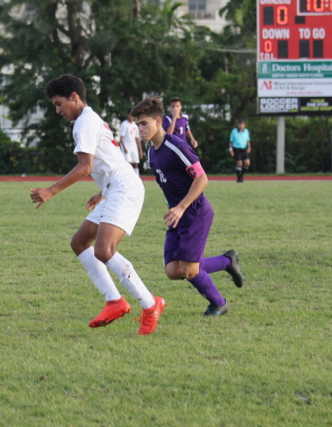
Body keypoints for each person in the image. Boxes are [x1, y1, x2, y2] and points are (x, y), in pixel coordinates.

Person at [30, 74, 165, 336]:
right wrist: (102, 191)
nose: (58, 110)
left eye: (59, 103)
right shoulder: (88, 118)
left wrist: (51, 191)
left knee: (104, 250)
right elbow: (108, 158)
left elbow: (86, 166)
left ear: (74, 97)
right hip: (114, 187)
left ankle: (150, 304)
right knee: (80, 242)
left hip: (124, 188)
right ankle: (114, 301)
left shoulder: (84, 123)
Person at [131, 97, 244, 317]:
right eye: (137, 124)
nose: (140, 129)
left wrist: (181, 207)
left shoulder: (176, 146)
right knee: (174, 271)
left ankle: (219, 303)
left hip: (194, 212)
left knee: (190, 270)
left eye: (144, 123)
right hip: (177, 216)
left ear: (158, 121)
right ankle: (227, 260)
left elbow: (202, 179)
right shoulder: (153, 154)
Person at [118, 109, 144, 176]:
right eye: (130, 115)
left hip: (133, 146)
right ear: (128, 115)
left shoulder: (135, 125)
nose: (131, 117)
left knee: (135, 163)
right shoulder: (124, 124)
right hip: (126, 145)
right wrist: (124, 148)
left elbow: (137, 138)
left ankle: (137, 177)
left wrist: (140, 150)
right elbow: (121, 138)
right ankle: (128, 177)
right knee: (128, 163)